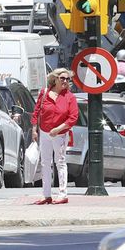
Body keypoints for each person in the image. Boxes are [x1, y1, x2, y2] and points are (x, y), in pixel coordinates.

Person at [31, 68, 77, 205]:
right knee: (45, 163)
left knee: (60, 162)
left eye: (67, 79)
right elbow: (36, 112)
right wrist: (34, 129)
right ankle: (46, 194)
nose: (65, 81)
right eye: (62, 78)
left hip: (60, 134)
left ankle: (63, 194)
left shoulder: (70, 97)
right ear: (55, 79)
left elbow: (73, 117)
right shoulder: (44, 93)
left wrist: (58, 129)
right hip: (44, 131)